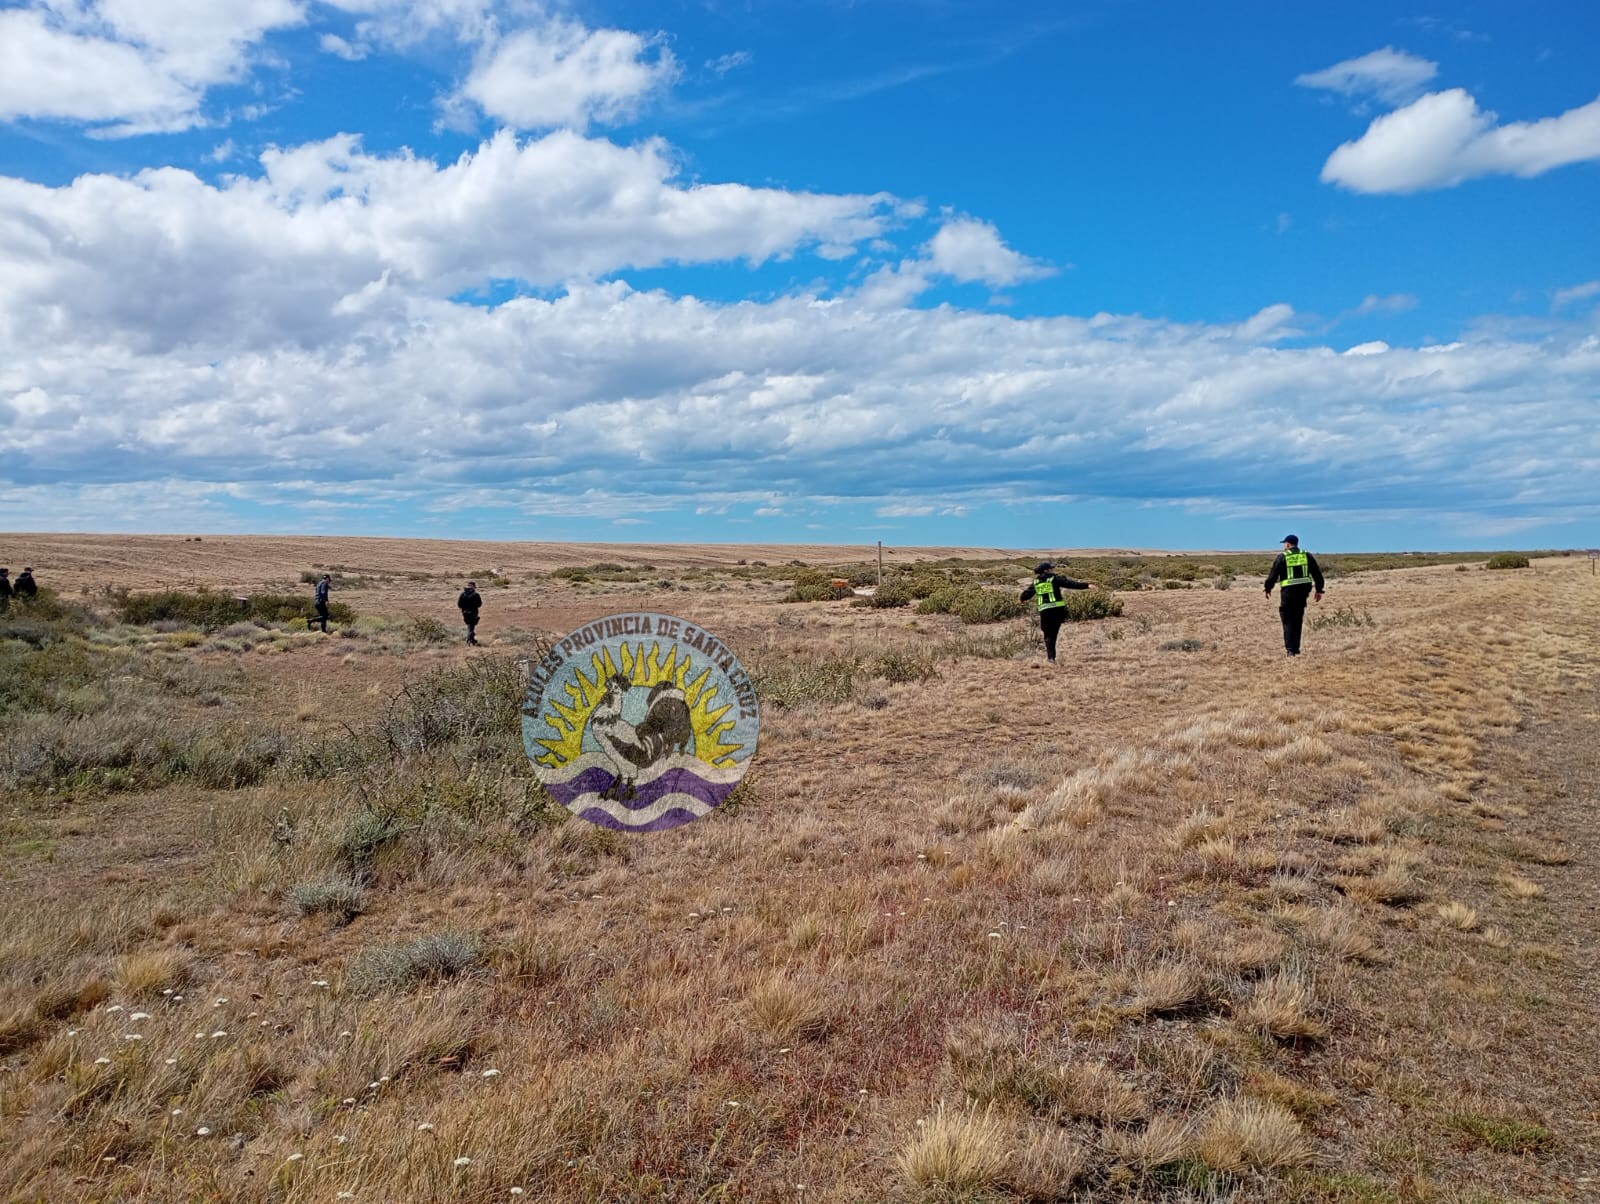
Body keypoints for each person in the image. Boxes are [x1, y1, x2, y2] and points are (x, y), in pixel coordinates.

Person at [1263, 534, 1324, 656]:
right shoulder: (1306, 555)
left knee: (1288, 620)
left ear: (1288, 544)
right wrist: (1319, 590)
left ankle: (1290, 649)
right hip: (1303, 592)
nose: (1284, 546)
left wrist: (1268, 588)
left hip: (1288, 593)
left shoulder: (1282, 557)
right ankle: (1296, 648)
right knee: (1297, 619)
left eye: (1284, 544)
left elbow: (1273, 575)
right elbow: (1317, 574)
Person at [1019, 561, 1092, 664]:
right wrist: (1087, 585)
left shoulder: (1036, 582)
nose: (1052, 570)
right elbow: (1070, 584)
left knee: (1047, 635)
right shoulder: (1054, 579)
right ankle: (1051, 657)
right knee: (1053, 634)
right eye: (1051, 569)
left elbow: (1028, 593)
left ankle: (1050, 658)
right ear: (1046, 570)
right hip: (1057, 610)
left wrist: (1021, 598)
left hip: (1044, 611)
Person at [457, 581, 482, 646]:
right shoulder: (476, 595)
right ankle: (468, 640)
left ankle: (473, 641)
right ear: (474, 587)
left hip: (465, 613)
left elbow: (459, 604)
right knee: (471, 627)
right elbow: (479, 604)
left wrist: (464, 608)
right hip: (473, 613)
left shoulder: (462, 594)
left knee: (470, 626)